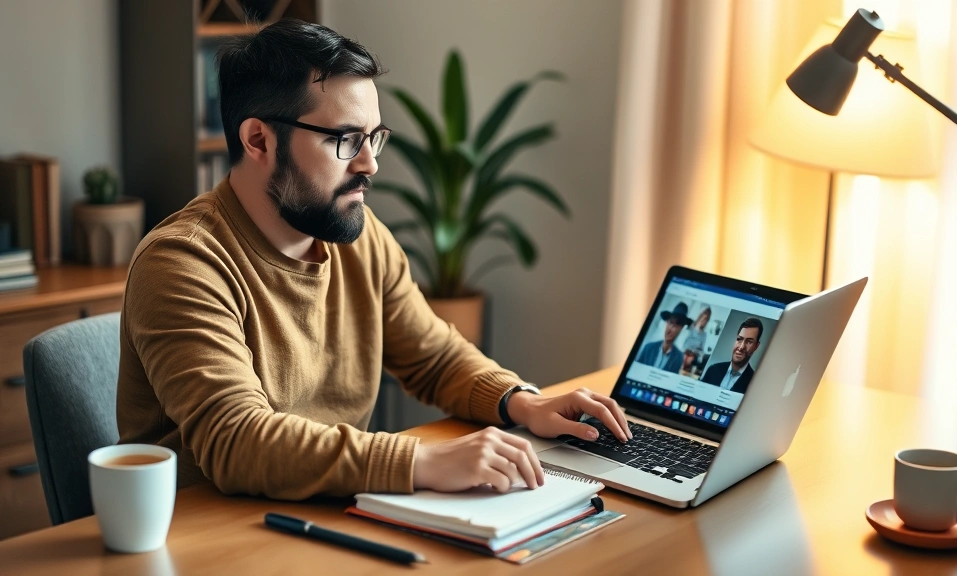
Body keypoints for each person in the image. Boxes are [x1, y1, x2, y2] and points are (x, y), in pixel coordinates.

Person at [116, 19, 631, 501]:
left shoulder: (358, 239)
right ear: (259, 140)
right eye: (346, 140)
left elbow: (433, 357)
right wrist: (420, 461)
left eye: (374, 137)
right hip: (215, 541)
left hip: (326, 515)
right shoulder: (183, 263)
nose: (371, 164)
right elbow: (237, 440)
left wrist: (522, 402)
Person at [700, 318, 763, 394]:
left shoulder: (755, 384)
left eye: (749, 342)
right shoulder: (712, 370)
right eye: (739, 339)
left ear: (756, 346)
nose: (741, 347)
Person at [636, 303, 691, 373]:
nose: (670, 328)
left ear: (681, 329)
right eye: (670, 322)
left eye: (676, 325)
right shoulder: (648, 348)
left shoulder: (679, 358)